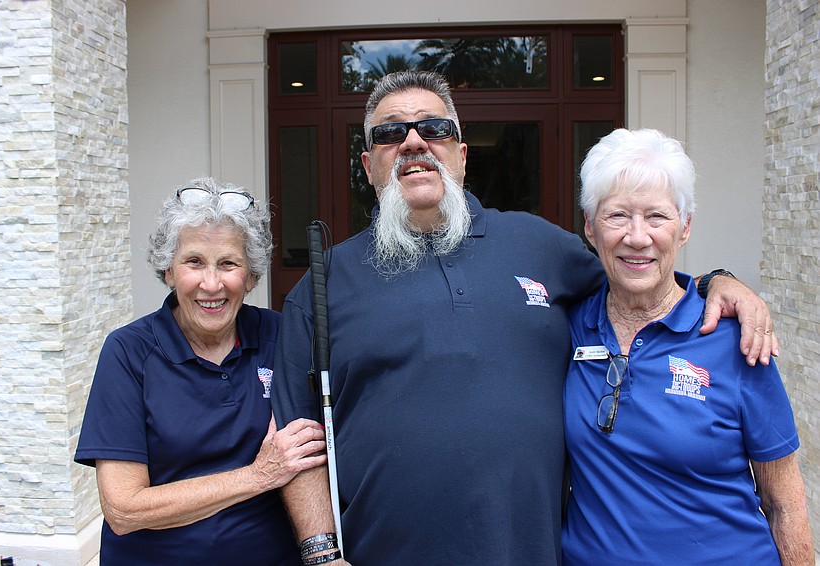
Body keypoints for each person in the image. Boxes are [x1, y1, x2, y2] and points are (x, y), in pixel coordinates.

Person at [271, 71, 778, 566]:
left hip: (529, 550)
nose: (412, 142)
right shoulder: (323, 284)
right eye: (389, 133)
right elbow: (298, 439)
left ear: (461, 154)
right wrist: (321, 554)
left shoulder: (539, 245)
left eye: (434, 127)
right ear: (368, 163)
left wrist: (716, 282)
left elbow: (638, 278)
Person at [563, 128, 814, 565]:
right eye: (617, 216)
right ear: (589, 226)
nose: (637, 237)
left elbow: (785, 503)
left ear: (686, 227)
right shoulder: (567, 328)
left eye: (657, 217)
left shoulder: (735, 338)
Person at [75, 177, 327, 564]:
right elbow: (125, 509)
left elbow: (309, 452)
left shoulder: (280, 336)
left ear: (252, 276)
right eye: (194, 262)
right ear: (168, 272)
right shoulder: (129, 351)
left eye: (228, 263)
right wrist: (258, 475)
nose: (212, 283)